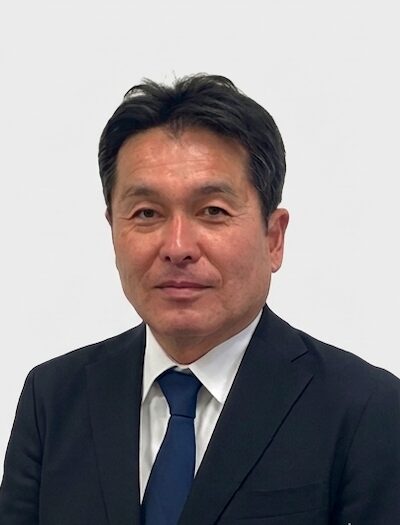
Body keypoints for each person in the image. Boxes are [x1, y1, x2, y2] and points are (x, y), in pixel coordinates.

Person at [0, 74, 399, 525]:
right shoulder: (53, 399)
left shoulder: (366, 410)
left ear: (273, 237)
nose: (177, 247)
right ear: (113, 230)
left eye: (212, 211)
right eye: (146, 213)